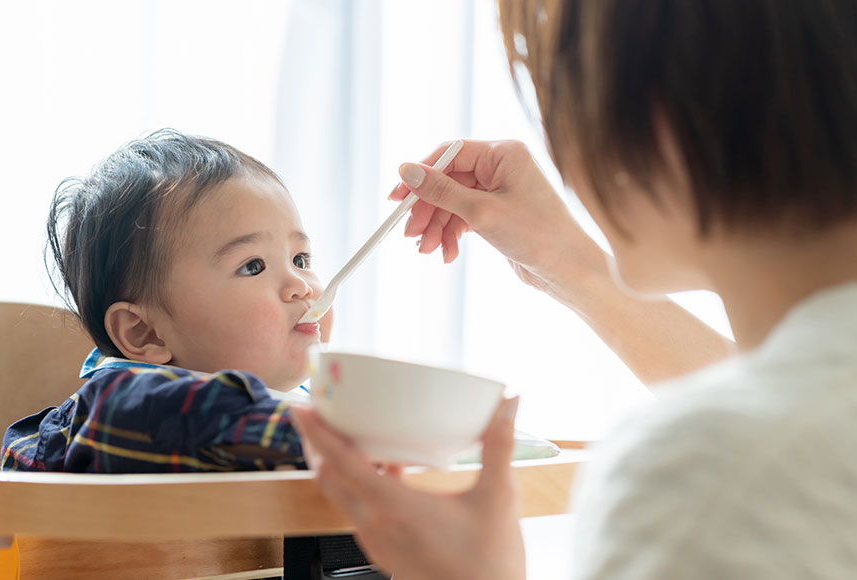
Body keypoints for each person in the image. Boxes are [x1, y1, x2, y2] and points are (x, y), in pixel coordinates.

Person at [291, 1, 857, 578]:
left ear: (654, 117)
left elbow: (764, 433)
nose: (565, 158)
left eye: (561, 110)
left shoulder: (710, 474)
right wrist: (574, 264)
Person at [1, 129, 333, 473]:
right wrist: (339, 438)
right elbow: (175, 416)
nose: (301, 286)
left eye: (301, 260)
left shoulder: (308, 405)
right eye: (253, 266)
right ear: (146, 333)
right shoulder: (119, 417)